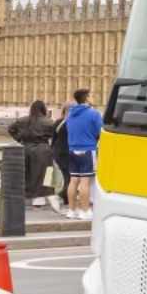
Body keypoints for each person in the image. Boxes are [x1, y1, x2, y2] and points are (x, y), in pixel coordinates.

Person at [7, 100, 57, 210]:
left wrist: (19, 139)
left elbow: (10, 129)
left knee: (29, 174)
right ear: (43, 109)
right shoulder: (48, 122)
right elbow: (55, 134)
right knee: (46, 174)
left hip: (26, 149)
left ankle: (30, 197)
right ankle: (40, 199)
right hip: (43, 150)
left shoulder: (22, 120)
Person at [61, 88, 101, 221]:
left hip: (72, 149)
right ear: (87, 98)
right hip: (88, 150)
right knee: (85, 182)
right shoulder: (93, 113)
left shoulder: (70, 114)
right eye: (92, 95)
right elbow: (100, 132)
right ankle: (85, 211)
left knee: (73, 181)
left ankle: (71, 210)